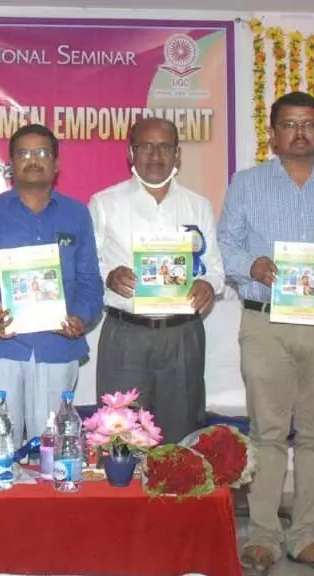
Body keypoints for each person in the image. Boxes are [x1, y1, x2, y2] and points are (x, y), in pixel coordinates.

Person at [218, 91, 314, 576]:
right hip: (265, 320)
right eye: (289, 124)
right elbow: (224, 244)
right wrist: (252, 263)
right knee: (267, 434)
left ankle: (309, 534)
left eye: (309, 124)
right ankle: (263, 536)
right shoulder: (247, 184)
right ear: (272, 133)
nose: (300, 132)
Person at [0, 124, 103, 450]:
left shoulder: (77, 215)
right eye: (24, 153)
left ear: (56, 164)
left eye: (42, 153)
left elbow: (91, 282)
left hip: (57, 347)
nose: (33, 160)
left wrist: (81, 317)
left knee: (52, 452)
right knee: (0, 449)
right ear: (10, 163)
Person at [89, 117, 225, 445]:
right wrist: (108, 276)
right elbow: (85, 267)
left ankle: (177, 496)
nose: (155, 154)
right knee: (120, 438)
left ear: (177, 155)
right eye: (146, 146)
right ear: (130, 153)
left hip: (182, 336)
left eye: (164, 147)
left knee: (181, 438)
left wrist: (207, 284)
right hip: (126, 335)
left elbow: (216, 270)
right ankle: (123, 497)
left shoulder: (198, 205)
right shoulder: (104, 203)